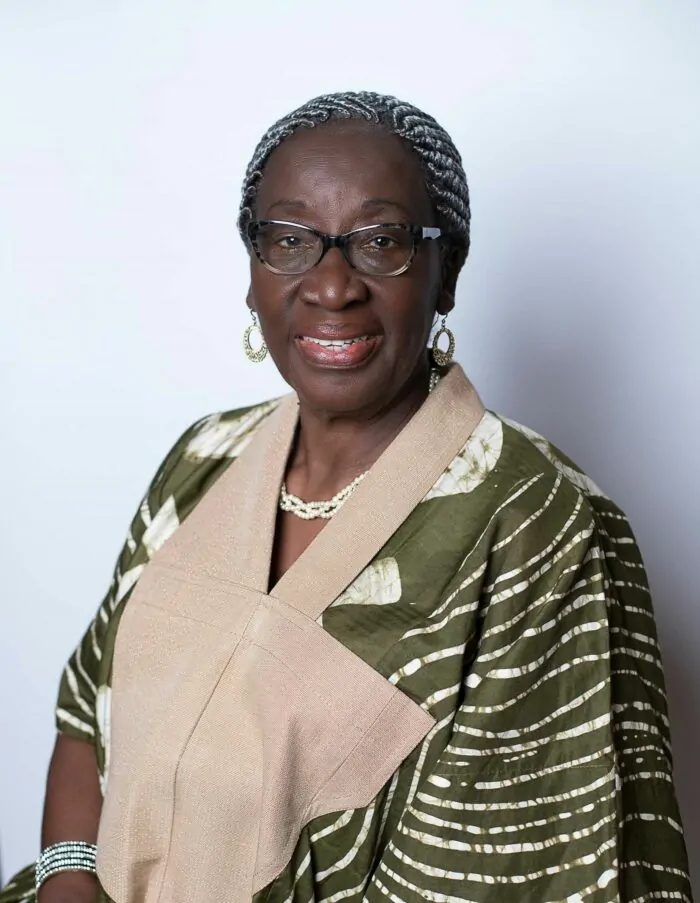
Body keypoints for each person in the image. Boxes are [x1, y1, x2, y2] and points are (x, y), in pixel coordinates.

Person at [1, 91, 692, 903]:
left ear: (447, 273)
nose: (332, 286)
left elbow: (481, 877)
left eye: (380, 241)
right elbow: (88, 712)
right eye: (290, 239)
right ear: (254, 268)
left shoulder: (535, 522)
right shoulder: (203, 458)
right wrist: (68, 878)